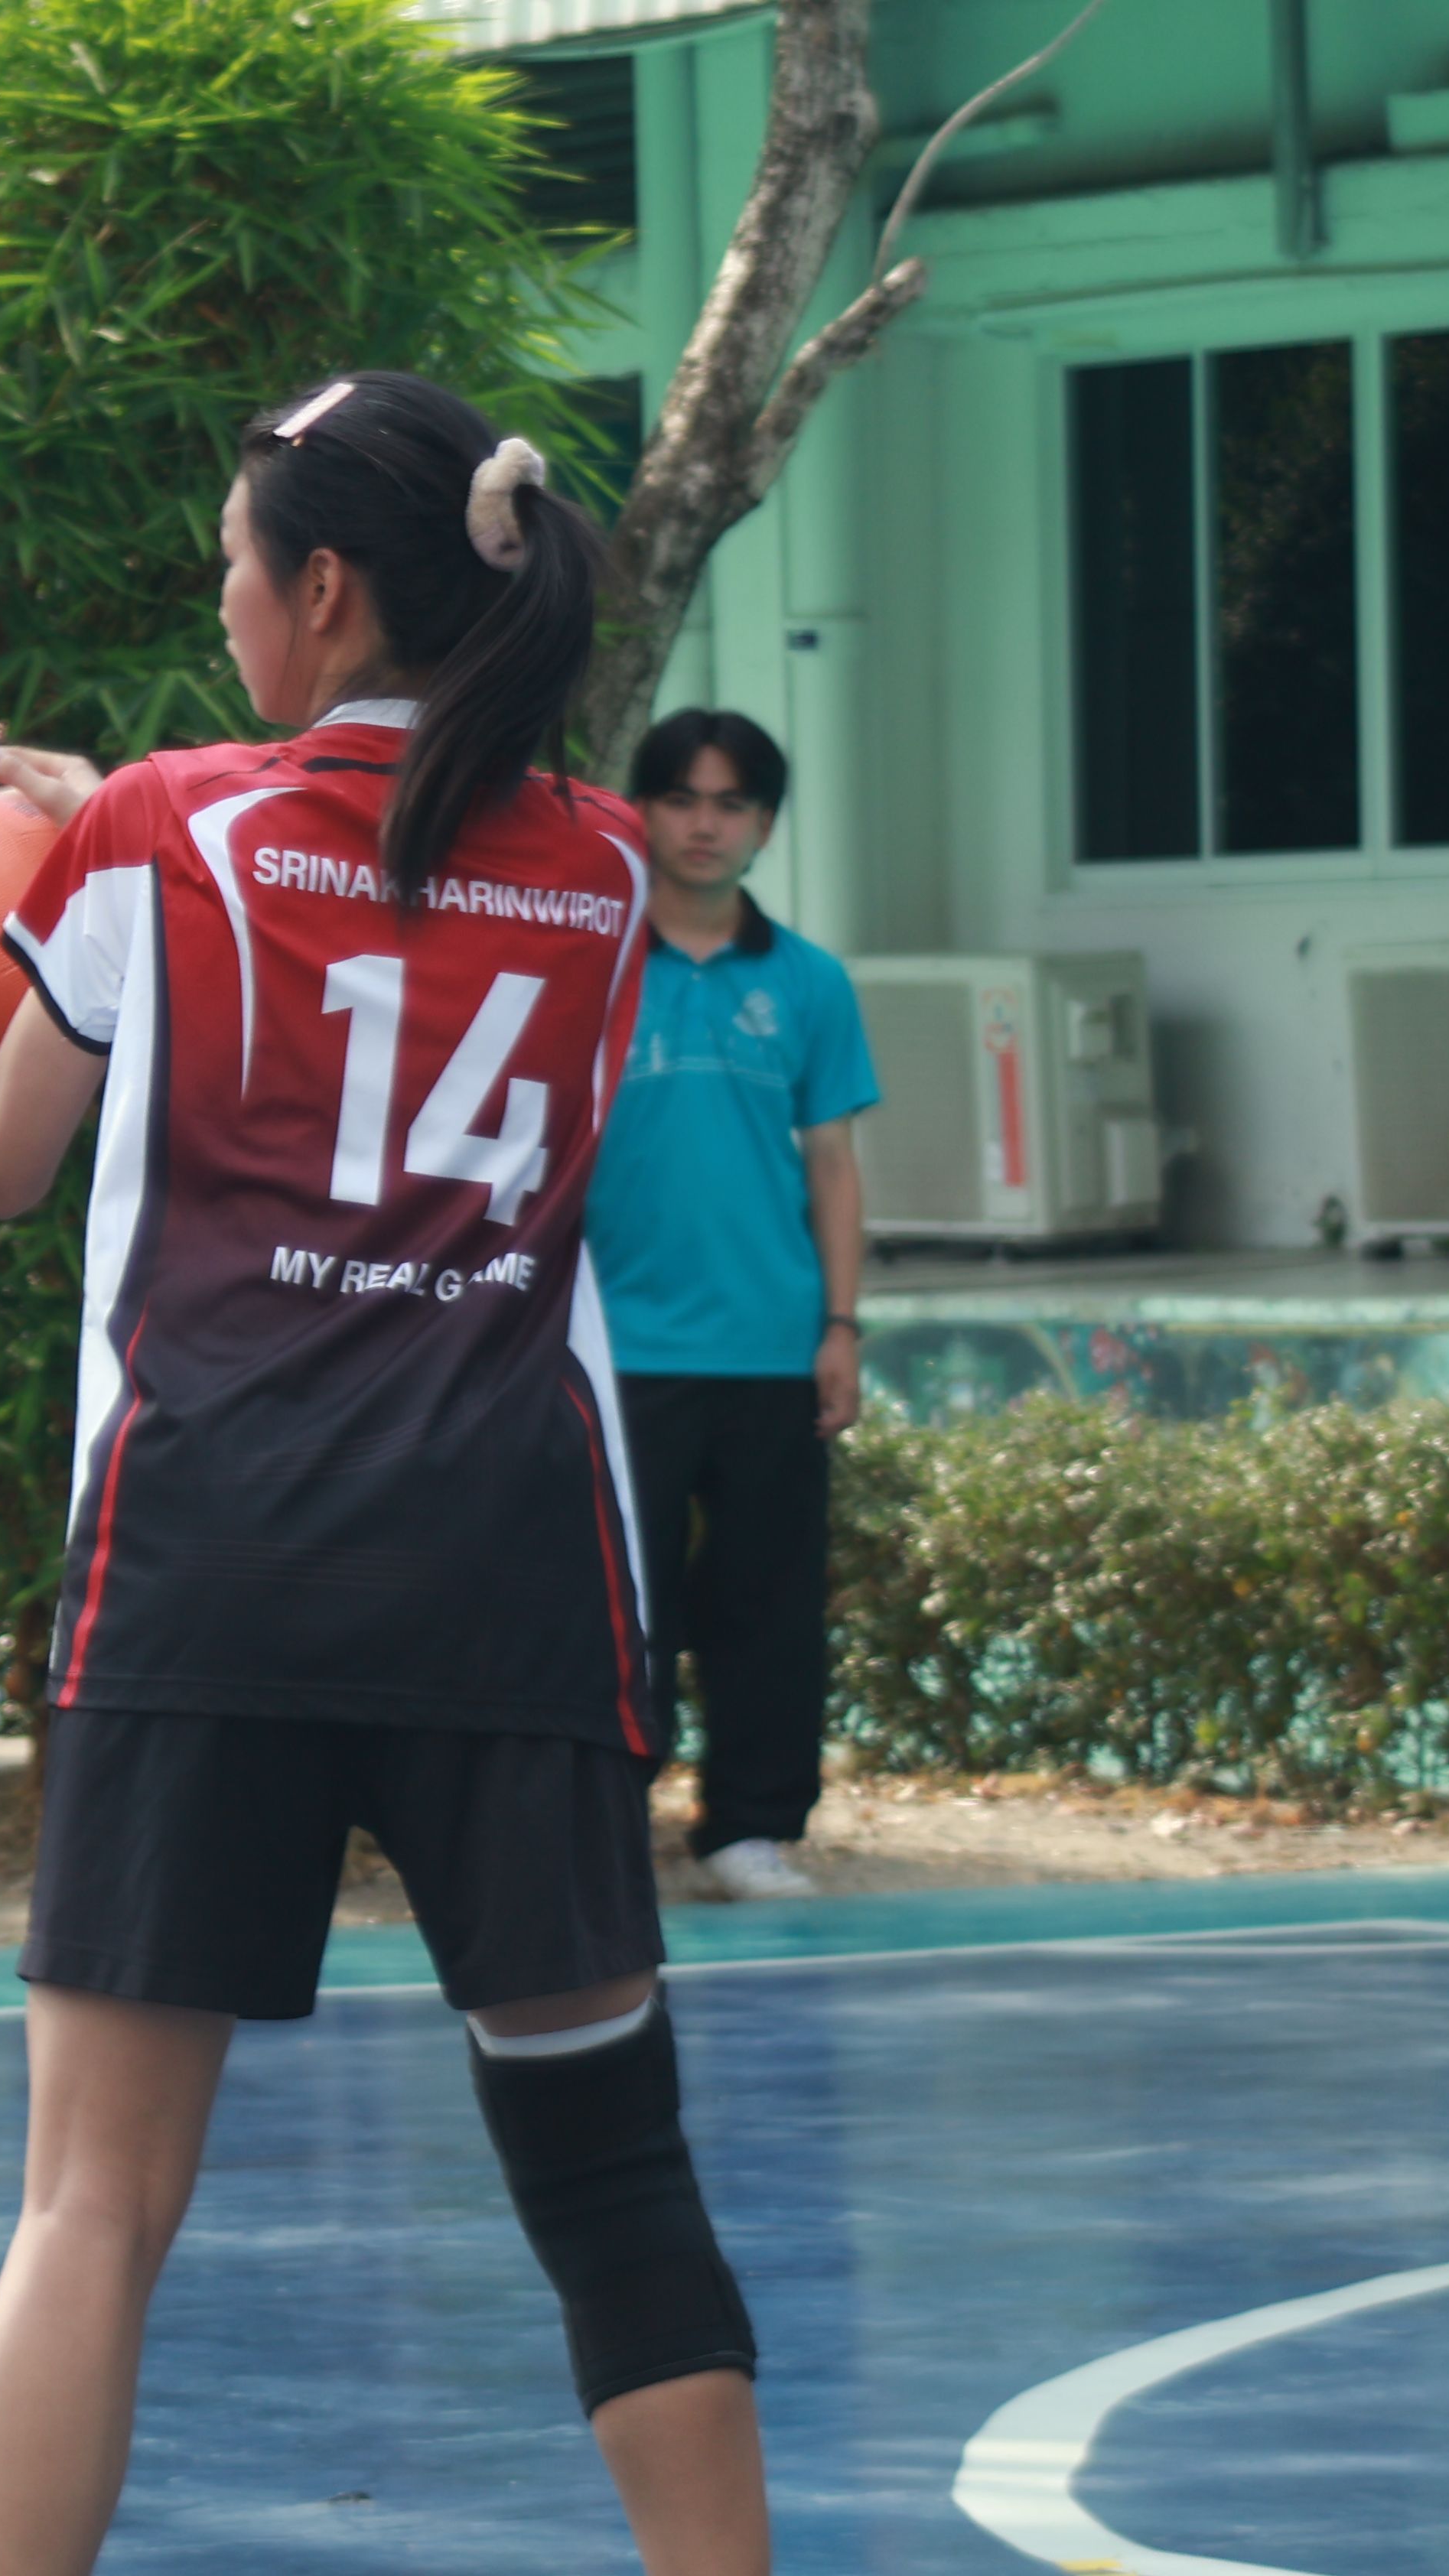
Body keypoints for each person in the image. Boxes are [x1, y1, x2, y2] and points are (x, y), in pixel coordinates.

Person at [0, 369, 772, 2576]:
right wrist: (129, 831)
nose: (223, 604)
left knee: (91, 2203)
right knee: (616, 2186)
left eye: (236, 572)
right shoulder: (608, 865)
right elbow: (385, 902)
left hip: (208, 1566)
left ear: (323, 588)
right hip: (512, 1579)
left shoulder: (169, 831)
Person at [584, 709, 877, 1904]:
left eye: (732, 804)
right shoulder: (589, 964)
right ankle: (603, 1824)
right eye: (681, 799)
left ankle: (750, 1829)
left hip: (771, 1346)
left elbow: (834, 1167)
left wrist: (840, 1327)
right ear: (642, 812)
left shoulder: (809, 982)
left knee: (769, 1603)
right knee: (617, 1605)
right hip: (617, 1346)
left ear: (764, 826)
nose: (704, 825)